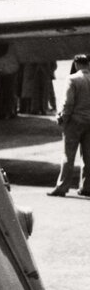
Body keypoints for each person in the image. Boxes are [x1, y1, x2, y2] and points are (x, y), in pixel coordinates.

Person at [47, 53, 90, 197]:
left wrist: (62, 118)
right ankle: (86, 187)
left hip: (75, 122)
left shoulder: (72, 79)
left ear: (76, 64)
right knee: (88, 156)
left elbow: (68, 103)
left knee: (68, 156)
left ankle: (62, 187)